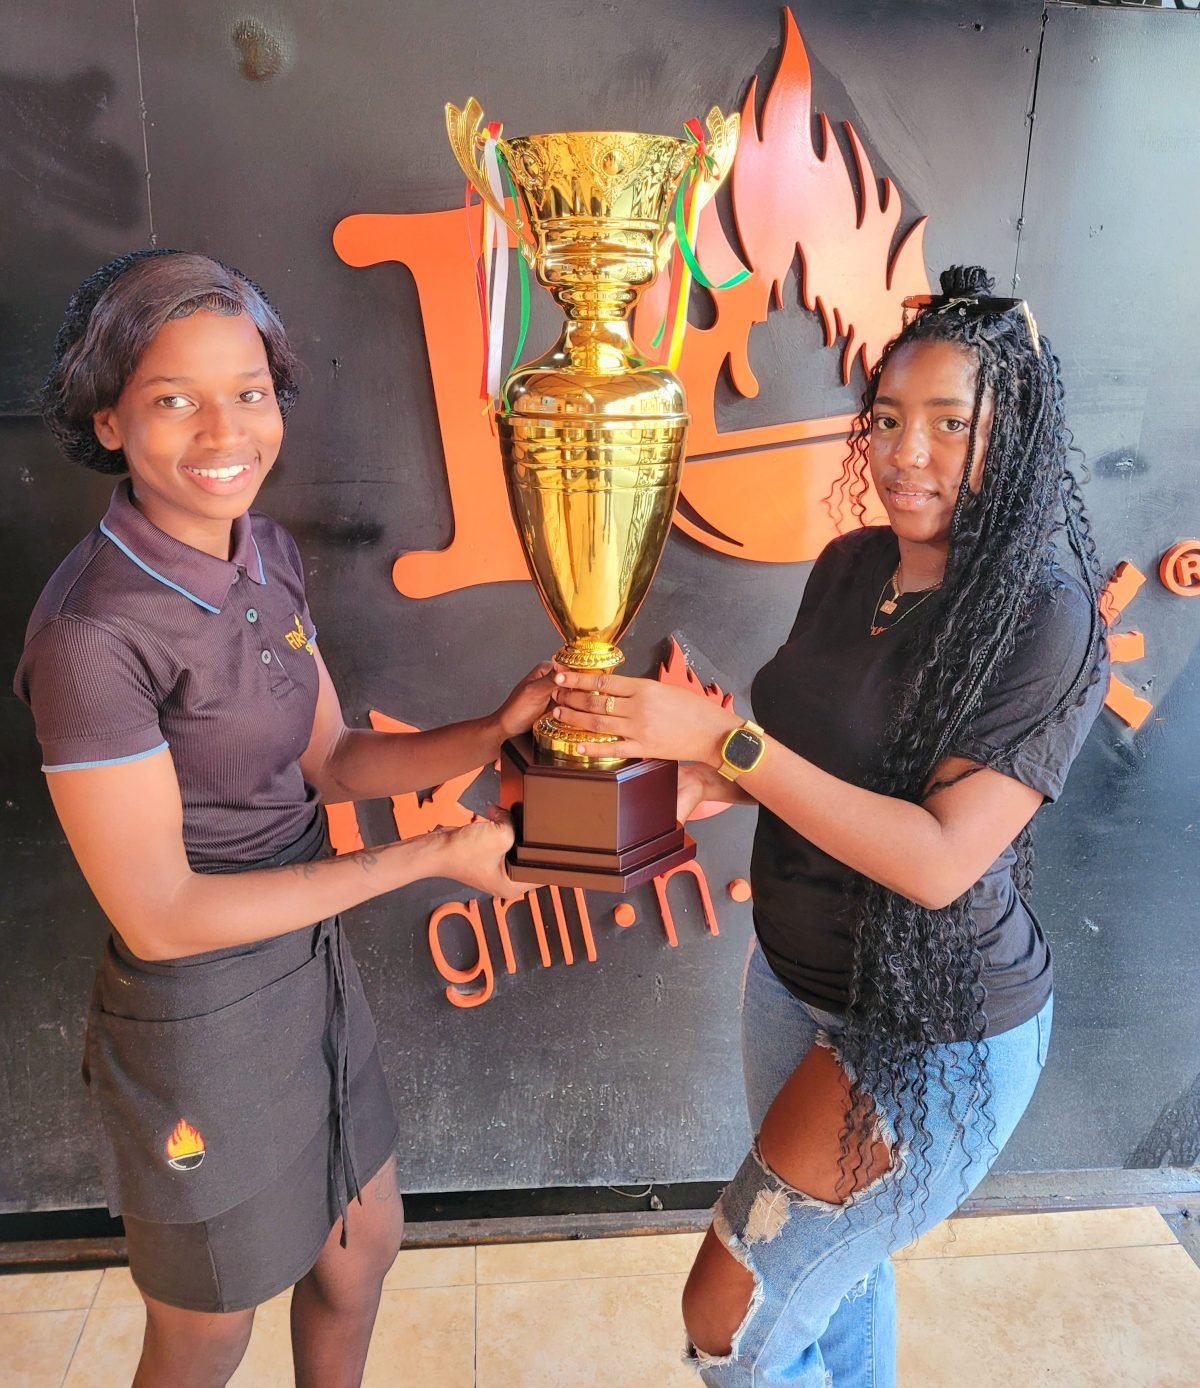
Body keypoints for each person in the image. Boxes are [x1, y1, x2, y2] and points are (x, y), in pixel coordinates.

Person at [552, 266, 1108, 1387]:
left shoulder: (1044, 614)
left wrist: (725, 745)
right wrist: (680, 789)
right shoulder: (850, 565)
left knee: (728, 1317)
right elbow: (819, 770)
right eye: (892, 419)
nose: (911, 453)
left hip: (934, 1022)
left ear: (1019, 436)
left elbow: (943, 858)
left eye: (954, 425)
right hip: (795, 979)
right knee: (833, 1277)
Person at [14, 248, 550, 1388]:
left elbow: (337, 757)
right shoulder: (89, 634)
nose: (226, 432)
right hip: (198, 1008)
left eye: (250, 392)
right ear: (106, 418)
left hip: (309, 963)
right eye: (174, 399)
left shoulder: (267, 552)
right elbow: (161, 914)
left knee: (362, 1248)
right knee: (208, 1327)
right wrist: (431, 857)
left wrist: (491, 728)